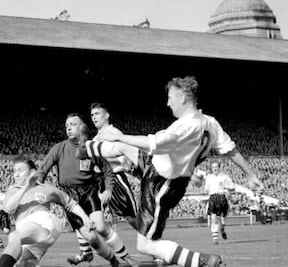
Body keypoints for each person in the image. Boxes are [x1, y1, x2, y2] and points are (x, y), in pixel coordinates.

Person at [76, 76, 264, 267]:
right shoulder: (210, 122)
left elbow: (154, 143)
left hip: (162, 182)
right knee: (120, 148)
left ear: (183, 97)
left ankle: (204, 261)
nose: (168, 103)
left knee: (145, 245)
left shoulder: (187, 126)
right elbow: (231, 150)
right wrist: (250, 174)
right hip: (162, 172)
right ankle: (89, 148)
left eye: (170, 98)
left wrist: (122, 137)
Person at [37, 113, 134, 266]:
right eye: (67, 125)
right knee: (92, 238)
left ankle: (127, 258)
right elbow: (42, 170)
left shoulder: (90, 148)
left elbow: (108, 171)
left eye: (73, 124)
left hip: (89, 192)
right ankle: (112, 259)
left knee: (101, 227)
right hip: (69, 197)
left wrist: (108, 189)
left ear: (82, 127)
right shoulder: (59, 148)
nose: (68, 128)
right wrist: (37, 189)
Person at [0, 155, 121, 267]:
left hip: (43, 222)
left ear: (32, 172)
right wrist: (26, 187)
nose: (16, 174)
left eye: (20, 170)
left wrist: (86, 219)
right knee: (23, 263)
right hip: (28, 233)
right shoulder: (12, 190)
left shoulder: (46, 188)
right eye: (14, 171)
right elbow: (8, 208)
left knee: (14, 237)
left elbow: (69, 203)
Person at [90, 102, 139, 226]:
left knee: (133, 219)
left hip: (116, 180)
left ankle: (150, 241)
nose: (94, 117)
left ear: (106, 115)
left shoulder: (115, 133)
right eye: (92, 115)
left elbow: (128, 158)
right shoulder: (95, 139)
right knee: (94, 220)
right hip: (99, 181)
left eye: (97, 113)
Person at [196, 162, 235, 244]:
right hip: (213, 198)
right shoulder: (209, 178)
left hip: (222, 198)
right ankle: (215, 238)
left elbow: (232, 187)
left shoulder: (224, 177)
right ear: (211, 168)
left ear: (219, 167)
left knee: (223, 219)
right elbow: (206, 190)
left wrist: (226, 189)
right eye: (213, 167)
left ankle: (222, 229)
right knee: (214, 218)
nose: (215, 168)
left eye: (216, 167)